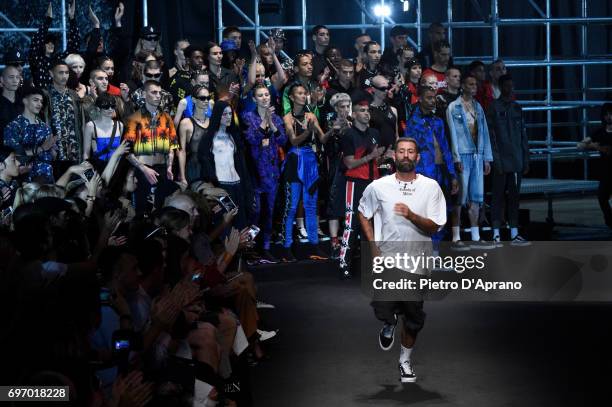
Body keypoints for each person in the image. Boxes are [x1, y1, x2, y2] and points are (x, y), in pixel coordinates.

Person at [359, 137, 446, 383]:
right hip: (387, 260)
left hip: (418, 262)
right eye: (401, 152)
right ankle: (388, 323)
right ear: (394, 156)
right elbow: (363, 214)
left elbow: (435, 227)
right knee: (383, 308)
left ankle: (405, 361)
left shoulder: (431, 187)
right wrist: (373, 246)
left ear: (417, 157)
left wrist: (411, 215)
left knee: (414, 316)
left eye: (410, 152)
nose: (406, 156)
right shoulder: (379, 186)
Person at [404, 86, 458, 246]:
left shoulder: (438, 121)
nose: (432, 101)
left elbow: (446, 149)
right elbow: (409, 151)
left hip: (441, 173)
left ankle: (435, 252)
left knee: (441, 212)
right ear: (420, 99)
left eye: (434, 97)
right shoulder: (413, 122)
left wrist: (452, 175)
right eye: (428, 97)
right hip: (423, 173)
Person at [337, 96, 385, 278]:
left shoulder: (374, 133)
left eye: (368, 111)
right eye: (362, 111)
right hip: (355, 183)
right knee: (352, 224)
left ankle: (372, 266)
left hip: (373, 183)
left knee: (373, 224)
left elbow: (375, 160)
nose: (366, 114)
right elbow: (349, 164)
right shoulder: (348, 135)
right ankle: (343, 264)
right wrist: (372, 156)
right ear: (354, 114)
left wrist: (384, 158)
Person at [280, 83, 329, 261]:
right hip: (294, 160)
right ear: (292, 98)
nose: (303, 96)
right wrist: (307, 132)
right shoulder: (287, 117)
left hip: (310, 160)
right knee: (292, 206)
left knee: (310, 205)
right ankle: (286, 247)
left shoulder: (311, 116)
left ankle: (314, 246)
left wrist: (333, 129)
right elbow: (293, 142)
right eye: (299, 93)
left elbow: (322, 138)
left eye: (304, 93)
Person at [447, 74, 494, 250]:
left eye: (476, 84)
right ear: (463, 86)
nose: (474, 87)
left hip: (477, 156)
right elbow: (452, 134)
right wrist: (456, 157)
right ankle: (456, 237)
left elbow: (485, 133)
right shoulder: (454, 107)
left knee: (476, 197)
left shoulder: (478, 107)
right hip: (463, 155)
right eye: (470, 84)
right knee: (460, 197)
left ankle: (475, 236)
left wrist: (487, 157)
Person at [242, 84, 287, 261]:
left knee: (269, 211)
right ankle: (249, 247)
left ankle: (266, 247)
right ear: (254, 99)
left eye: (267, 94)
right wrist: (264, 122)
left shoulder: (276, 118)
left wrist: (272, 123)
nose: (264, 98)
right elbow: (252, 139)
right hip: (255, 171)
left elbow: (283, 140)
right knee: (255, 212)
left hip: (272, 171)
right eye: (260, 95)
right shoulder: (247, 117)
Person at [124, 81, 179, 216]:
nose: (158, 96)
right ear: (144, 94)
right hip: (143, 170)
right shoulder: (134, 119)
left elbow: (172, 146)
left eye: (160, 93)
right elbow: (127, 152)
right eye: (154, 92)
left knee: (161, 210)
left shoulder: (167, 119)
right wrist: (144, 169)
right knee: (143, 211)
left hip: (162, 169)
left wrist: (169, 167)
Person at [487, 74, 530, 245]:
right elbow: (492, 137)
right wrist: (496, 160)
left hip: (516, 161)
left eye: (512, 86)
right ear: (500, 86)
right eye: (507, 86)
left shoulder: (517, 108)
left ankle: (514, 233)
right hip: (501, 161)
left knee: (514, 197)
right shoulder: (493, 107)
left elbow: (523, 135)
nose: (510, 89)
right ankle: (496, 233)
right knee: (497, 197)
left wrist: (525, 158)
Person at [198, 101, 253, 230]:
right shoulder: (209, 138)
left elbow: (241, 163)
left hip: (237, 183)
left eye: (230, 114)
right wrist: (211, 183)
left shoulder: (233, 137)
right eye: (224, 114)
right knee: (225, 222)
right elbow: (204, 161)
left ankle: (241, 248)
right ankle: (225, 248)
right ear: (217, 115)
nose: (228, 117)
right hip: (222, 186)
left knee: (241, 220)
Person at [3, 87, 56, 184]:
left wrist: (54, 149)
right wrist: (42, 148)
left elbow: (52, 155)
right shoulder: (14, 126)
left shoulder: (45, 127)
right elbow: (16, 154)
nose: (39, 104)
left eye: (41, 101)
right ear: (25, 101)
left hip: (47, 179)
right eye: (35, 100)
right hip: (24, 181)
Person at [42, 59, 84, 178]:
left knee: (75, 185)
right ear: (51, 73)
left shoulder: (73, 95)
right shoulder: (45, 95)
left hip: (74, 151)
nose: (64, 76)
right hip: (55, 151)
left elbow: (82, 121)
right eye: (60, 73)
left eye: (66, 73)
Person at [323, 93, 352, 258]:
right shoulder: (330, 122)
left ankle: (347, 239)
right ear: (335, 108)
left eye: (347, 106)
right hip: (334, 167)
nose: (345, 109)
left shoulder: (354, 122)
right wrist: (332, 131)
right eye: (342, 106)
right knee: (334, 202)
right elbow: (322, 140)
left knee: (349, 204)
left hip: (351, 167)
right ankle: (334, 241)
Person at [28, 1, 80, 89]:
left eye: (53, 43)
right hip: (41, 98)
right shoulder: (36, 58)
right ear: (42, 45)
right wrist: (48, 19)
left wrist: (72, 19)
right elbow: (36, 40)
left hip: (57, 97)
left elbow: (73, 47)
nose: (51, 45)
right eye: (47, 43)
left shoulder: (58, 59)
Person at [578, 102, 612, 228]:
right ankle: (610, 221)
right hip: (606, 172)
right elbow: (580, 144)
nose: (609, 117)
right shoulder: (599, 131)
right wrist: (594, 146)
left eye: (611, 114)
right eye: (606, 114)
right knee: (602, 198)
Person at [178, 85, 212, 184]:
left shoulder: (213, 121)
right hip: (194, 169)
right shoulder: (185, 123)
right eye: (202, 98)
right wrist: (183, 177)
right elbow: (182, 151)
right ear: (193, 99)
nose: (206, 101)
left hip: (211, 167)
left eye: (208, 98)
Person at [83, 92, 124, 167]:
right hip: (98, 167)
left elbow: (119, 150)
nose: (110, 109)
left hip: (116, 168)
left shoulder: (119, 125)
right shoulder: (91, 126)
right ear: (98, 108)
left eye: (112, 106)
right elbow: (86, 153)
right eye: (106, 106)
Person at [0, 66, 22, 144]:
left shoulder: (24, 101)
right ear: (2, 80)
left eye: (17, 77)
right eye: (11, 77)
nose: (15, 80)